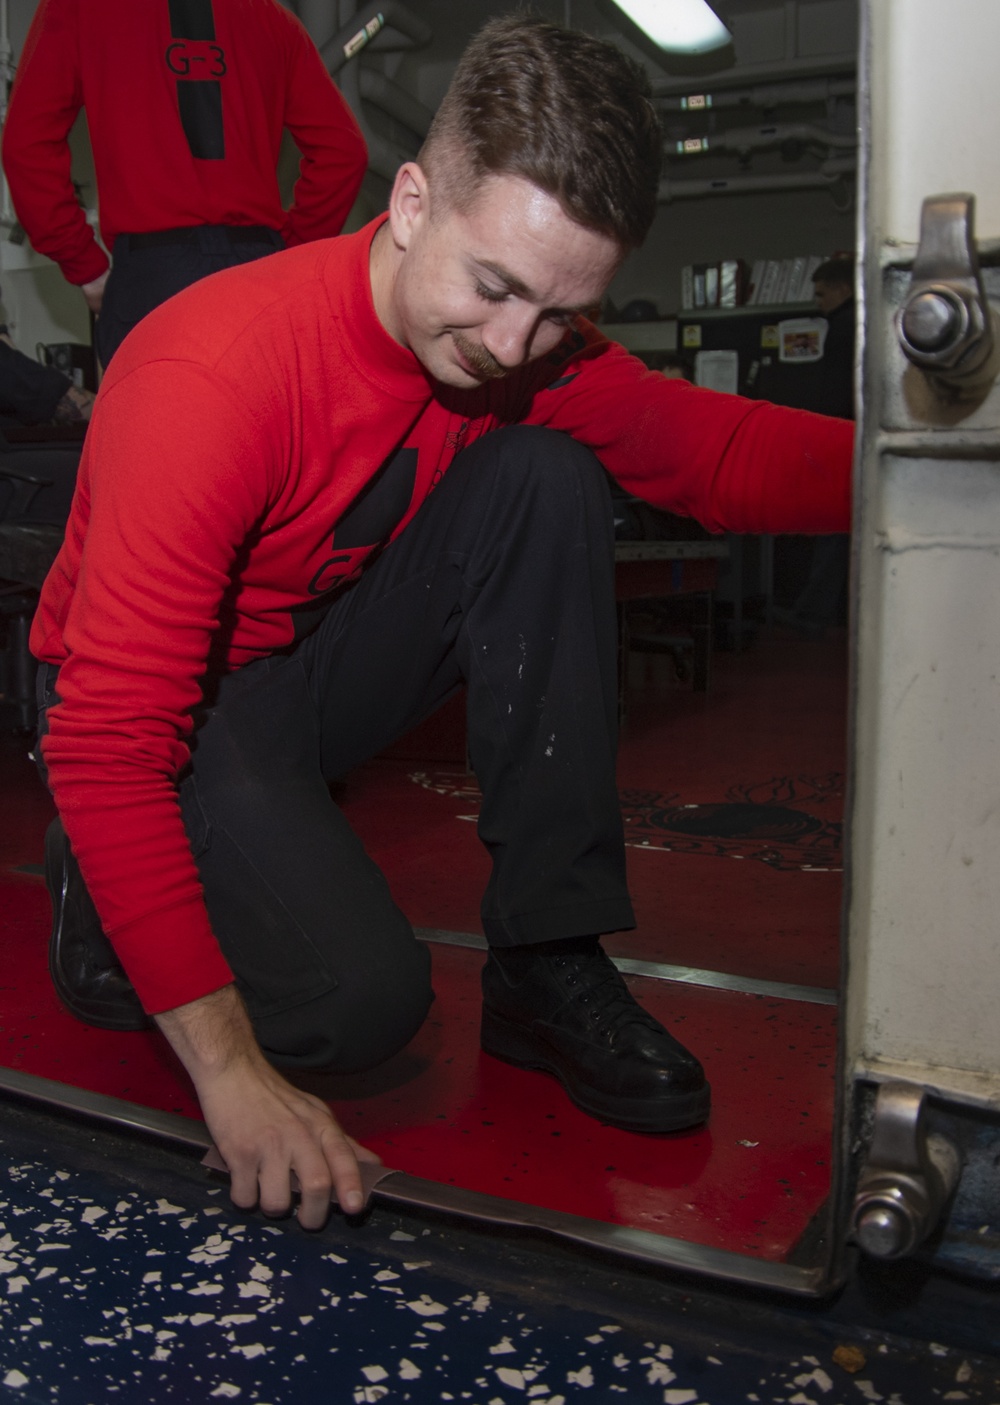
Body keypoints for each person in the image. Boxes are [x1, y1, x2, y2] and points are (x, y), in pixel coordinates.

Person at [31, 16, 853, 1230]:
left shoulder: (521, 344)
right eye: (494, 287)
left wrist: (936, 469)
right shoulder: (213, 376)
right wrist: (232, 1077)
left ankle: (547, 957)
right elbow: (110, 736)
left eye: (557, 312)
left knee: (546, 476)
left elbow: (711, 449)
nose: (511, 344)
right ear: (410, 201)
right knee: (353, 1010)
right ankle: (94, 902)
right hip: (148, 701)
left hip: (302, 647)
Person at [1, 0, 367, 367]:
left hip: (153, 278)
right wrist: (287, 252)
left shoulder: (82, 8)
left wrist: (86, 266)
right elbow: (343, 151)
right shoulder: (270, 16)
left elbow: (26, 144)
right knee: (265, 423)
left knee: (158, 423)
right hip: (258, 273)